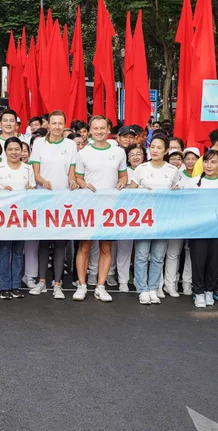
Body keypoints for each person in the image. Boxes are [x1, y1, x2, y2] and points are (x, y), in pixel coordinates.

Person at [74, 115, 126, 302]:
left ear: (108, 129)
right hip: (88, 206)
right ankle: (82, 285)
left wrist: (121, 182)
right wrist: (83, 183)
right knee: (85, 246)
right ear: (90, 131)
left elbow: (123, 176)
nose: (99, 131)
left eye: (102, 128)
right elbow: (78, 177)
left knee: (106, 248)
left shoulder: (119, 152)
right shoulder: (83, 153)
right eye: (95, 128)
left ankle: (101, 286)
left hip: (109, 207)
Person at [31, 111, 79, 300]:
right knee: (43, 242)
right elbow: (35, 173)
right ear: (48, 125)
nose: (57, 126)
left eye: (60, 123)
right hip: (43, 198)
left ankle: (57, 284)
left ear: (65, 125)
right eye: (54, 123)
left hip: (63, 200)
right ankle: (42, 281)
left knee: (60, 243)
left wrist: (73, 181)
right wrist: (43, 182)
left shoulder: (71, 145)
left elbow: (71, 171)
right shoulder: (39, 143)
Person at [129, 134, 180, 305]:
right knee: (142, 255)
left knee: (158, 256)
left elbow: (181, 193)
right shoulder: (141, 169)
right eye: (153, 147)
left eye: (159, 147)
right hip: (144, 219)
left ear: (166, 150)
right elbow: (131, 193)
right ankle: (142, 289)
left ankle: (153, 288)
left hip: (163, 220)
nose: (155, 150)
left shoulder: (173, 171)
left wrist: (177, 190)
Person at [182, 150, 218, 307]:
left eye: (213, 162)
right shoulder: (192, 182)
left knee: (215, 261)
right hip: (198, 228)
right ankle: (198, 292)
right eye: (206, 161)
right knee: (198, 260)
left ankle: (209, 291)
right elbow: (179, 197)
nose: (209, 165)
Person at [0, 137, 34, 300]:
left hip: (22, 216)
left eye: (17, 149)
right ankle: (4, 286)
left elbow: (33, 190)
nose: (14, 152)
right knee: (4, 250)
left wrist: (31, 189)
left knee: (17, 251)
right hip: (3, 217)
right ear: (5, 151)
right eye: (10, 149)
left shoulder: (28, 169)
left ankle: (15, 285)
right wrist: (1, 190)